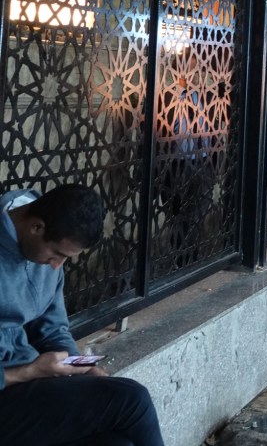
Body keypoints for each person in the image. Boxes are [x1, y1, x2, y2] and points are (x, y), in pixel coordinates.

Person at [0, 184, 166, 446]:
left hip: (28, 383)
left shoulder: (42, 250)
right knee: (132, 399)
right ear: (36, 227)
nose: (57, 266)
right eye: (57, 255)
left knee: (116, 443)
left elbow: (52, 329)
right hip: (11, 385)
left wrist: (81, 369)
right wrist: (29, 371)